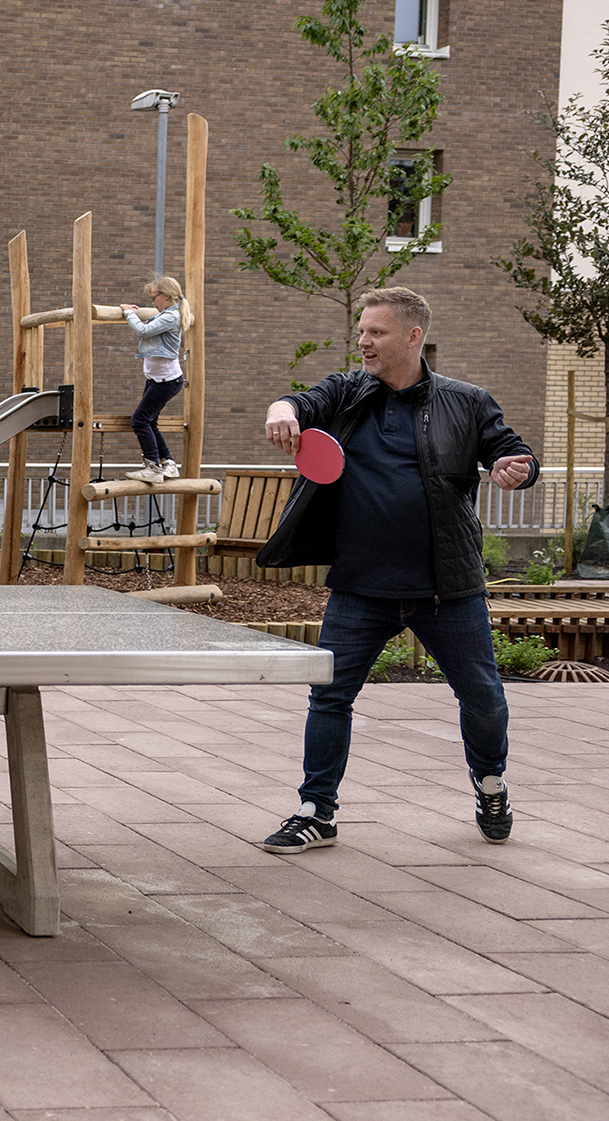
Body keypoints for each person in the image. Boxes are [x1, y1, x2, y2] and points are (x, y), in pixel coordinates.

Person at [255, 287, 536, 854]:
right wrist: (281, 410)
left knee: (482, 696)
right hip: (361, 584)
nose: (363, 342)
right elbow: (300, 401)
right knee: (329, 697)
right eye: (361, 331)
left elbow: (513, 451)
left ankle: (490, 783)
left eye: (376, 332)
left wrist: (517, 469)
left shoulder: (468, 401)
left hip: (446, 587)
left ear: (413, 337)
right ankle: (317, 811)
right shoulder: (346, 393)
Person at [120, 276, 187, 483]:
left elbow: (142, 331)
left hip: (165, 381)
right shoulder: (166, 314)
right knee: (150, 421)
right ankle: (167, 463)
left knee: (139, 420)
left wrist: (129, 312)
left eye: (154, 298)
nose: (153, 303)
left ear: (166, 296)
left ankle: (152, 466)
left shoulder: (170, 317)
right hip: (158, 379)